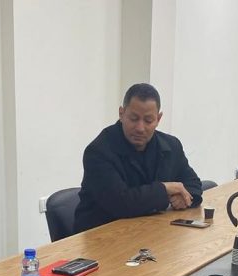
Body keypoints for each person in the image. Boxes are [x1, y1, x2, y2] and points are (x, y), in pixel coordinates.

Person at [74, 83, 202, 233]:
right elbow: (121, 203)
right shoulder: (98, 152)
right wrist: (164, 189)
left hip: (150, 232)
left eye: (148, 120)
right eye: (134, 119)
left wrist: (183, 198)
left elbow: (193, 184)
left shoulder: (171, 146)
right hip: (102, 236)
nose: (140, 128)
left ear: (158, 119)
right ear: (121, 114)